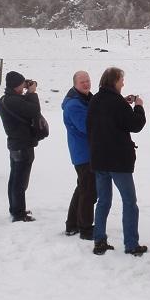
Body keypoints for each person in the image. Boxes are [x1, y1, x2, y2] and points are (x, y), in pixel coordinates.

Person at [87, 67, 147, 256]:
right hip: (118, 161)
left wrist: (124, 102)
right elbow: (135, 124)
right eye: (122, 79)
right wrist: (138, 106)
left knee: (103, 201)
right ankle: (131, 244)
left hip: (99, 159)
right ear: (114, 81)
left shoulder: (96, 99)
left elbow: (102, 121)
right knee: (130, 202)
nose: (123, 83)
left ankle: (99, 240)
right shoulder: (116, 103)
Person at [0, 71, 40, 223]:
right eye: (22, 84)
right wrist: (32, 93)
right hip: (22, 144)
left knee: (15, 178)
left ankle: (15, 208)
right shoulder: (13, 101)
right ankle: (18, 213)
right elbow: (34, 110)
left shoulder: (7, 99)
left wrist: (27, 92)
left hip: (16, 143)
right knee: (19, 180)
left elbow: (25, 106)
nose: (24, 86)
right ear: (16, 86)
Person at [62, 71, 96, 239]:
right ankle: (85, 228)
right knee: (88, 191)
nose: (86, 84)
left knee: (83, 188)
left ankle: (72, 224)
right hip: (83, 154)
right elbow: (87, 127)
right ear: (75, 83)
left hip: (88, 152)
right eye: (82, 81)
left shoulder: (87, 98)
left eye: (88, 80)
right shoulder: (74, 105)